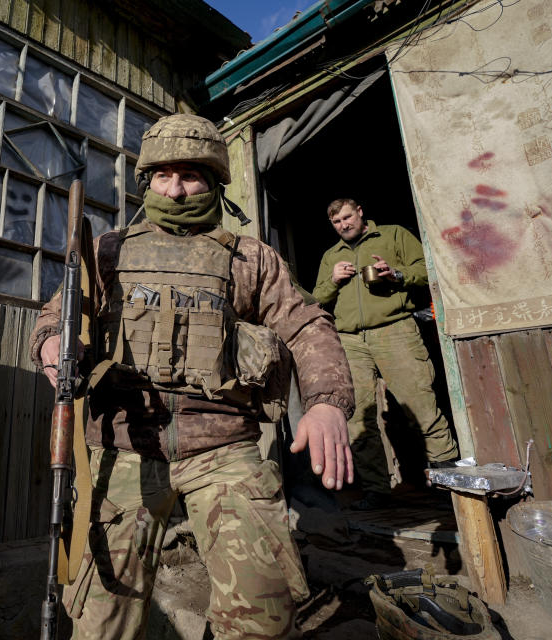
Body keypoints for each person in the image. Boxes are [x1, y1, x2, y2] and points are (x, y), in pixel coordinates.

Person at [30, 114, 356, 639]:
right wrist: (51, 340)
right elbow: (59, 312)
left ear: (214, 181)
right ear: (147, 181)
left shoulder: (250, 256)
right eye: (163, 176)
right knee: (100, 620)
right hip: (123, 445)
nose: (176, 190)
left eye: (190, 175)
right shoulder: (110, 250)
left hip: (225, 447)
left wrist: (325, 401)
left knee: (264, 619)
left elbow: (306, 324)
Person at [313, 198, 458, 510]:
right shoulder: (331, 256)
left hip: (395, 329)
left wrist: (397, 274)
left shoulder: (393, 236)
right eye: (337, 223)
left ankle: (449, 483)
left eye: (348, 218)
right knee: (359, 417)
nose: (344, 225)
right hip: (349, 339)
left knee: (420, 404)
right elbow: (316, 299)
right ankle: (376, 489)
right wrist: (333, 280)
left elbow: (426, 269)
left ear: (361, 212)